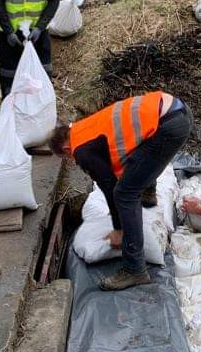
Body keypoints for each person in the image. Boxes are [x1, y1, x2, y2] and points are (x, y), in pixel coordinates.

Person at [50, 92, 192, 290]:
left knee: (125, 193)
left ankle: (134, 269)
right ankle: (148, 193)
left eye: (68, 158)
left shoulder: (81, 150)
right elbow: (129, 151)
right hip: (176, 110)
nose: (72, 160)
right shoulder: (84, 128)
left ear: (65, 149)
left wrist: (119, 229)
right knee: (137, 166)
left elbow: (109, 186)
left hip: (167, 126)